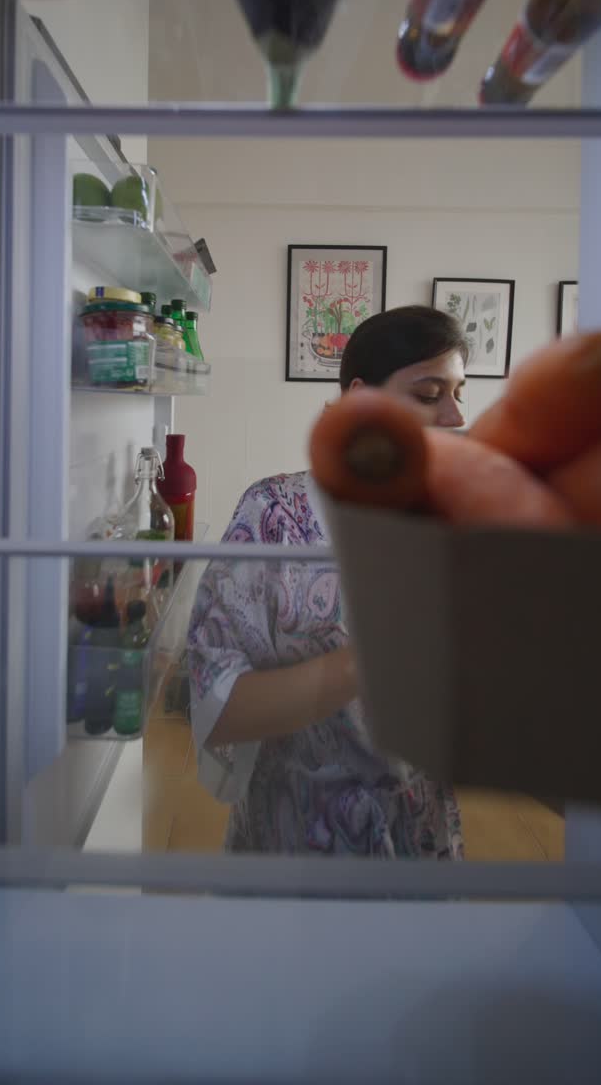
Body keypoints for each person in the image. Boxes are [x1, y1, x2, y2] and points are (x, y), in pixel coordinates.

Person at [187, 305, 469, 857]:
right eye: (429, 394)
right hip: (295, 842)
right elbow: (215, 706)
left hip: (422, 848)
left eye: (460, 392)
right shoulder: (274, 516)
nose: (456, 416)